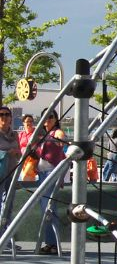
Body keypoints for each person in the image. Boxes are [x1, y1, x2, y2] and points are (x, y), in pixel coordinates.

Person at [36, 108, 66, 254]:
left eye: (51, 117)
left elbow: (62, 138)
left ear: (55, 119)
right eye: (45, 117)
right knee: (45, 208)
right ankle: (50, 242)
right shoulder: (42, 135)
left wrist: (61, 140)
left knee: (49, 207)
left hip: (50, 174)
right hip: (42, 174)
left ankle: (53, 243)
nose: (48, 120)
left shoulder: (55, 133)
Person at [0, 106, 21, 246]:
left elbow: (19, 153)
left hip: (11, 174)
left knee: (8, 206)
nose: (4, 117)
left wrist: (17, 152)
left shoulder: (14, 135)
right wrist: (7, 153)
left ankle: (5, 238)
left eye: (7, 114)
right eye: (1, 114)